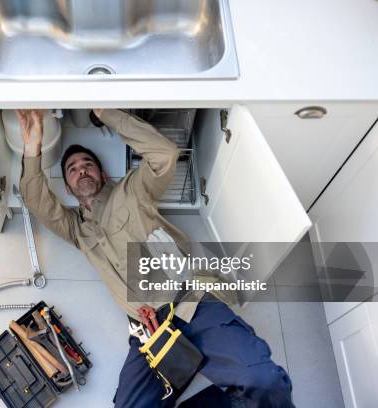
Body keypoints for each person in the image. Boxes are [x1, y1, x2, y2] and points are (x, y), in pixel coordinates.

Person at [18, 109, 294, 407]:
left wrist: (105, 112)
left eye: (88, 164)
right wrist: (32, 146)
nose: (81, 169)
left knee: (263, 382)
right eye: (72, 169)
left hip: (190, 303)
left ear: (103, 174)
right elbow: (36, 201)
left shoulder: (132, 191)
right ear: (69, 189)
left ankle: (246, 394)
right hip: (148, 331)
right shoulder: (75, 228)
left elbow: (164, 153)